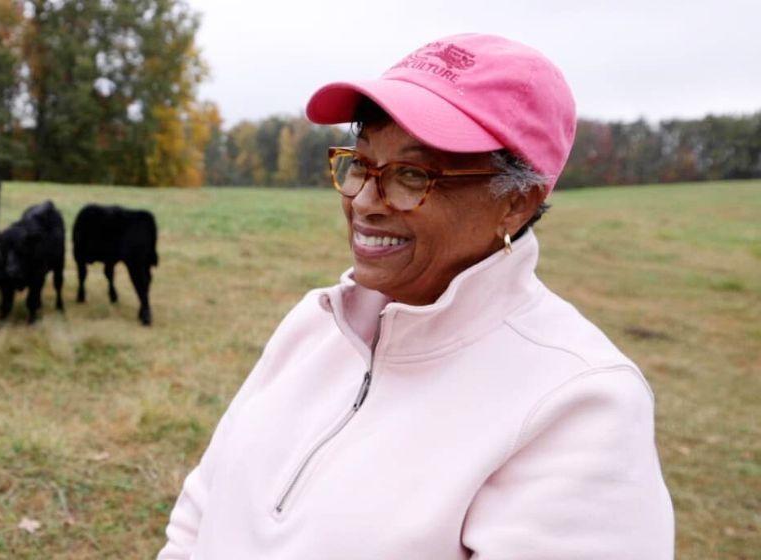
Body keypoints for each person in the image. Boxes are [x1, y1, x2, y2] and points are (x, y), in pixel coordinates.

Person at [158, 33, 674, 559]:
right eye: (359, 163)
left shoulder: (580, 404)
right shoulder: (314, 324)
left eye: (411, 174)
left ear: (516, 203)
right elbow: (202, 508)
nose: (364, 200)